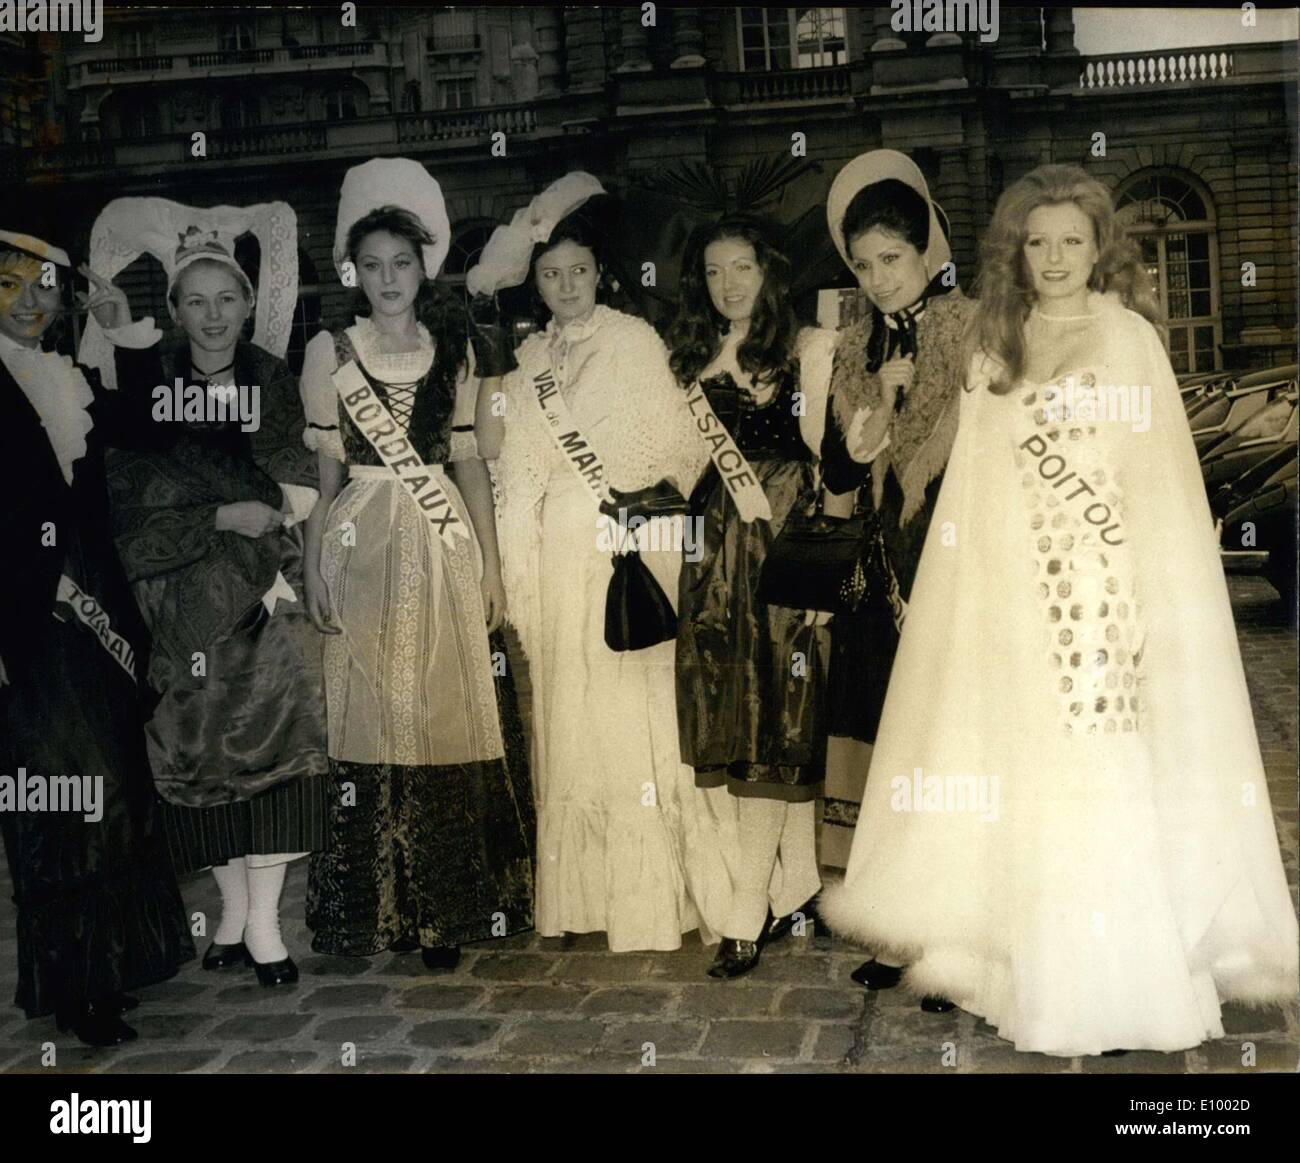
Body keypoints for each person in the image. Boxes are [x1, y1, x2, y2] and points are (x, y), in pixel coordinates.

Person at [818, 163, 1299, 1056]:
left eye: (1071, 241)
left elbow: (1163, 492)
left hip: (1113, 602)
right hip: (1023, 604)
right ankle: (1040, 977)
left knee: (1113, 777)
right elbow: (978, 491)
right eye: (1036, 243)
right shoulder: (999, 343)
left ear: (1098, 247)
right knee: (1033, 780)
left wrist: (1157, 602)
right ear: (1015, 251)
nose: (1054, 258)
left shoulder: (1131, 343)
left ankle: (1131, 981)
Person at [470, 173, 737, 952]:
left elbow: (677, 448)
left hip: (627, 547)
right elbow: (497, 452)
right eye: (549, 276)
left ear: (600, 273)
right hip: (558, 548)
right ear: (537, 284)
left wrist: (631, 505)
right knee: (570, 712)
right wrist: (488, 355)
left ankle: (655, 898)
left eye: (577, 272)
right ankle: (585, 898)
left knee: (633, 709)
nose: (565, 288)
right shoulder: (523, 361)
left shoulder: (633, 340)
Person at [84, 198, 330, 988]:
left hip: (263, 596)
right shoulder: (150, 383)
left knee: (273, 753)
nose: (213, 315)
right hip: (181, 603)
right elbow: (128, 491)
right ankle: (229, 913)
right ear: (176, 308)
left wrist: (268, 514)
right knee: (199, 758)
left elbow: (298, 480)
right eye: (196, 300)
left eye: (227, 299)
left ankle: (264, 925)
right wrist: (220, 513)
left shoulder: (271, 378)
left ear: (248, 304)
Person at [300, 158, 534, 970]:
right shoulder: (330, 351)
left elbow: (470, 465)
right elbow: (324, 478)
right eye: (374, 265)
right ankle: (376, 909)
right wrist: (313, 566)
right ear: (353, 272)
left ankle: (442, 911)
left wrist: (491, 567)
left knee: (439, 717)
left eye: (403, 262)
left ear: (421, 266)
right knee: (370, 712)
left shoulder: (456, 347)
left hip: (441, 548)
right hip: (362, 540)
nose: (389, 278)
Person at [0, 225, 194, 1045]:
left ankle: (119, 962)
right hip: (25, 620)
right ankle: (76, 986)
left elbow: (152, 423)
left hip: (95, 607)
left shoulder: (66, 373)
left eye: (49, 285)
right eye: (15, 283)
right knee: (61, 793)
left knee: (115, 786)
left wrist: (123, 330)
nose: (35, 300)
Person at [815, 151, 975, 1007]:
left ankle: (958, 938)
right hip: (878, 569)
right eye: (864, 264)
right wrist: (871, 417)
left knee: (952, 750)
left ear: (928, 253)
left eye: (894, 260)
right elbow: (836, 475)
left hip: (952, 559)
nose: (880, 280)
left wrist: (919, 416)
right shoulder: (850, 343)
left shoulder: (974, 326)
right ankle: (898, 923)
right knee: (889, 751)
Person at [665, 215, 836, 978]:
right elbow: (678, 461)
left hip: (785, 544)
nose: (728, 284)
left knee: (785, 711)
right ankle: (795, 884)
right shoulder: (694, 360)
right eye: (712, 271)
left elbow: (832, 464)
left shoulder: (810, 350)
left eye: (742, 267)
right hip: (714, 553)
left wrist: (826, 571)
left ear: (769, 272)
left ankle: (745, 911)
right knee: (739, 708)